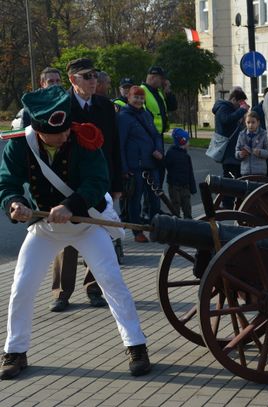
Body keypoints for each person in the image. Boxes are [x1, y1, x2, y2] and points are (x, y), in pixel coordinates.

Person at [0, 86, 151, 380]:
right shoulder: (20, 145)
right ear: (39, 130)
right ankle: (15, 352)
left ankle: (136, 345)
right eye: (58, 134)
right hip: (44, 229)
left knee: (112, 282)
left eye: (66, 130)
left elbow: (98, 180)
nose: (65, 136)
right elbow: (7, 184)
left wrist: (71, 204)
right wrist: (15, 205)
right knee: (22, 287)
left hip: (85, 224)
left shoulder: (84, 137)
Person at [48, 57, 122, 312]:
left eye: (95, 76)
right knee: (67, 239)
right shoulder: (62, 106)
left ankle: (93, 288)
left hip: (100, 182)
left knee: (98, 233)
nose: (94, 81)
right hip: (68, 183)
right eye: (87, 77)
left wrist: (118, 183)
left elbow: (114, 146)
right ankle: (62, 292)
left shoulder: (104, 105)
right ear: (73, 80)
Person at [118, 86, 164, 242]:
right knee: (134, 200)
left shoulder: (146, 114)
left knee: (154, 200)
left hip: (151, 164)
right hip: (134, 166)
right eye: (135, 97)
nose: (138, 100)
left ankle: (156, 229)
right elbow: (120, 145)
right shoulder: (123, 117)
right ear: (129, 98)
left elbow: (156, 135)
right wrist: (123, 168)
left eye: (141, 98)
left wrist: (158, 149)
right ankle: (137, 232)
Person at [212, 88, 250, 208]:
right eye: (240, 103)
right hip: (228, 151)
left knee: (237, 178)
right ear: (233, 99)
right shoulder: (223, 107)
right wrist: (241, 111)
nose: (240, 106)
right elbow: (226, 120)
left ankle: (233, 203)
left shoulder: (232, 109)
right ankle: (227, 204)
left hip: (234, 150)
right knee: (229, 178)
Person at [165, 128, 197, 219]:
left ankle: (189, 222)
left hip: (185, 186)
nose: (189, 143)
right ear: (182, 141)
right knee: (175, 206)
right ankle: (176, 224)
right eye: (187, 141)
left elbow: (190, 173)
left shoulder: (186, 156)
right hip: (174, 186)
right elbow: (166, 165)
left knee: (187, 206)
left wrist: (193, 188)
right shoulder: (171, 153)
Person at [235, 111, 268, 176]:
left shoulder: (263, 134)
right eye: (248, 122)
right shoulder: (242, 135)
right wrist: (240, 154)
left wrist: (260, 152)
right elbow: (236, 152)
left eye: (253, 122)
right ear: (245, 123)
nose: (250, 125)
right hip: (245, 171)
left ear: (258, 122)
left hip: (260, 171)